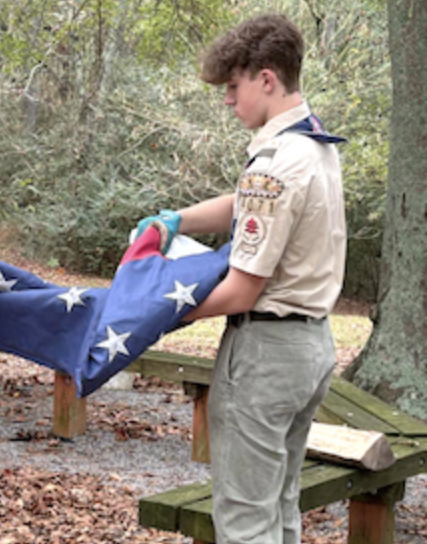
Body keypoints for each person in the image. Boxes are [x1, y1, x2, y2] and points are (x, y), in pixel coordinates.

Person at [135, 14, 346, 544]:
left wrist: (158, 311)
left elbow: (243, 287)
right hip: (312, 345)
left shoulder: (273, 163)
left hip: (265, 355)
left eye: (234, 86)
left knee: (246, 521)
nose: (228, 100)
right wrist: (178, 219)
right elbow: (248, 205)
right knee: (279, 507)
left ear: (267, 79)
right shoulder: (314, 145)